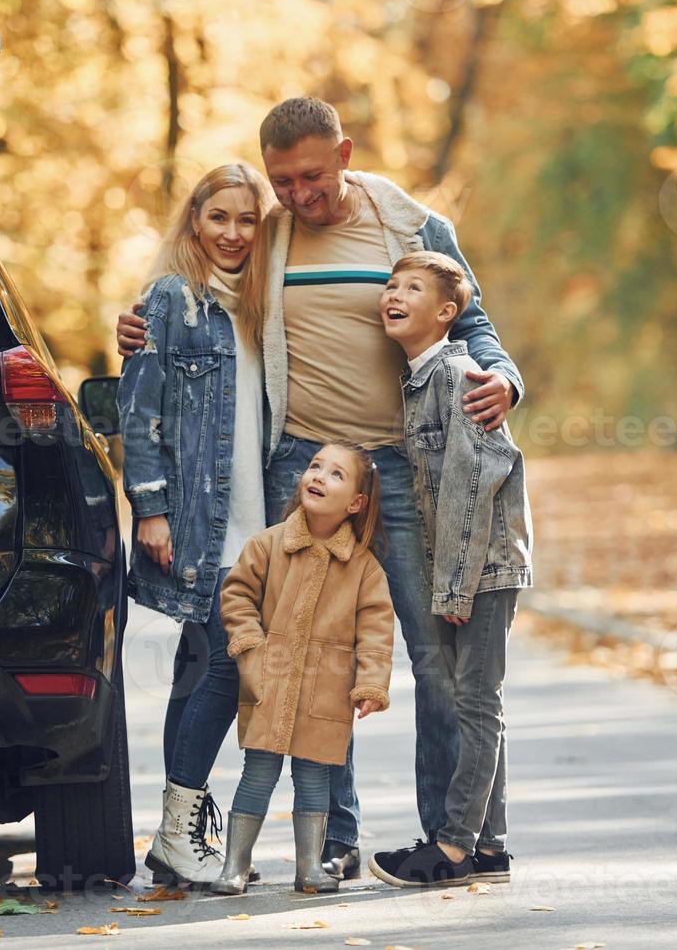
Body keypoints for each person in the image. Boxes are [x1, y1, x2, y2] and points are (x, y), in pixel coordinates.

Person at [117, 97, 524, 881]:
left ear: (344, 153)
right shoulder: (269, 233)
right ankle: (334, 840)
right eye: (282, 181)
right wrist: (141, 328)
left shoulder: (412, 227)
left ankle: (457, 837)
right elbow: (207, 291)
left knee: (433, 656)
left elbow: (473, 322)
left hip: (401, 468)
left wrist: (504, 378)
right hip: (298, 464)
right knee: (307, 655)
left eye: (310, 176)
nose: (298, 194)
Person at [116, 162, 276, 886]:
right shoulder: (171, 300)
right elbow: (137, 413)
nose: (234, 233)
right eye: (220, 218)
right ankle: (180, 833)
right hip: (194, 521)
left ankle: (172, 839)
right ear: (195, 221)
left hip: (255, 520)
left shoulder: (262, 305)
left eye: (248, 219)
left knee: (196, 665)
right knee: (220, 662)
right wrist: (149, 508)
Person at [368, 251, 532, 886]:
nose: (394, 294)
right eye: (391, 284)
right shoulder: (416, 379)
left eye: (413, 287)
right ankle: (490, 848)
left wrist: (455, 584)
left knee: (476, 700)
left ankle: (456, 848)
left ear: (445, 313)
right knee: (477, 701)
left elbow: (471, 485)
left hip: (486, 564)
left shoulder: (459, 375)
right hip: (465, 564)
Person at [207, 441, 393, 895]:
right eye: (314, 466)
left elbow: (376, 628)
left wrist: (370, 682)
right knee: (258, 773)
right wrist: (251, 647)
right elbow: (235, 595)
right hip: (269, 680)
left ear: (355, 503)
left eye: (335, 474)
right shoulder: (268, 545)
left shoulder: (364, 568)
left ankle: (309, 866)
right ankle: (235, 865)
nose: (318, 476)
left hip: (326, 691)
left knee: (314, 779)